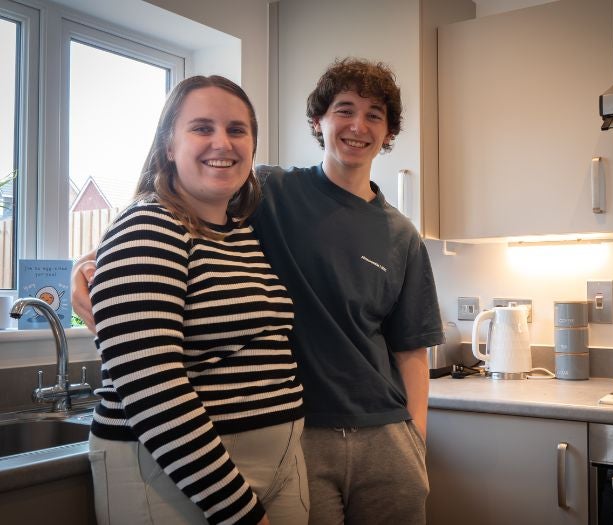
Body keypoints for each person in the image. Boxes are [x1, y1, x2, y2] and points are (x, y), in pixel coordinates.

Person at [73, 58, 443, 525]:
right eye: (344, 110)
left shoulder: (398, 234)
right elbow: (156, 223)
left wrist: (416, 439)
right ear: (318, 121)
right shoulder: (268, 191)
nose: (357, 126)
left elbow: (410, 349)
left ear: (389, 132)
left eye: (374, 115)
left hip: (370, 435)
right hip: (295, 441)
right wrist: (87, 266)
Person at [83, 75, 307, 525]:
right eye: (201, 127)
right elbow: (150, 386)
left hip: (279, 465)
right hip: (179, 476)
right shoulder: (148, 226)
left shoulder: (240, 232)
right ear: (168, 145)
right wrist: (238, 510)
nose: (221, 142)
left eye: (236, 129)